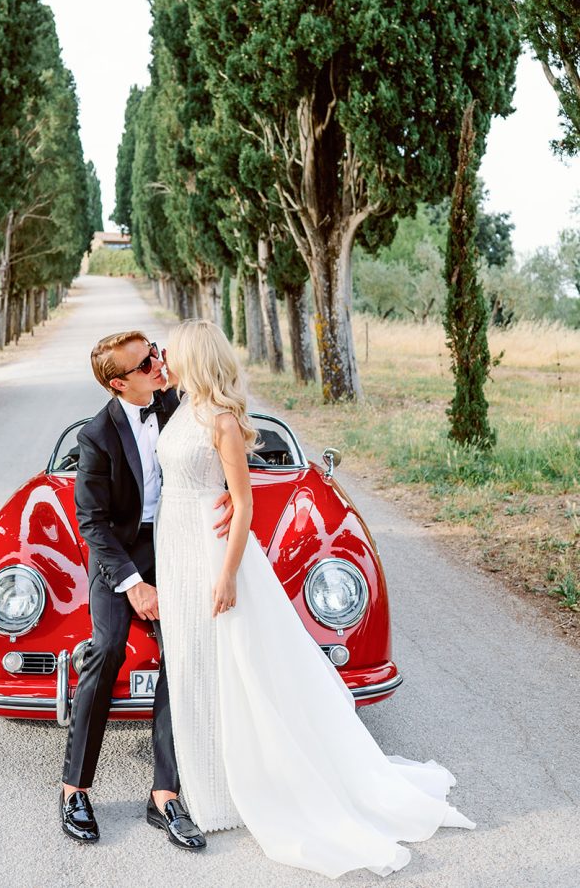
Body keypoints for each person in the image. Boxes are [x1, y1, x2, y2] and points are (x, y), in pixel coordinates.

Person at [155, 318, 475, 879]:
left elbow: (243, 503)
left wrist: (228, 574)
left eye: (172, 351)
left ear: (194, 357)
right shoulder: (180, 408)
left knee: (231, 667)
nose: (164, 358)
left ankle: (231, 796)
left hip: (209, 553)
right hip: (174, 548)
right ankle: (207, 785)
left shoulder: (222, 421)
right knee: (191, 667)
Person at [59, 329, 231, 850]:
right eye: (145, 364)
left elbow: (228, 432)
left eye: (155, 353)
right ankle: (74, 790)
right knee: (106, 649)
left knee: (180, 653)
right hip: (119, 558)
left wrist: (230, 493)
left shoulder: (179, 399)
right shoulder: (96, 437)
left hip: (179, 546)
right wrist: (134, 585)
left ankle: (165, 794)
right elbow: (92, 523)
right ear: (118, 383)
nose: (159, 364)